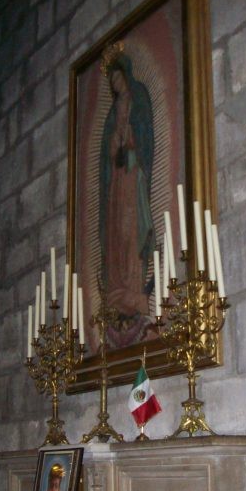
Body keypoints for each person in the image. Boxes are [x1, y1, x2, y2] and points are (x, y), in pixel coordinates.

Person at [98, 51, 155, 347]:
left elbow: (145, 138)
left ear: (126, 75)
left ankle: (134, 287)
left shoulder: (139, 98)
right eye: (112, 80)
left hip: (132, 176)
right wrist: (114, 146)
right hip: (118, 179)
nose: (116, 83)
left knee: (131, 231)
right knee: (118, 234)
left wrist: (129, 143)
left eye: (118, 77)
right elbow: (108, 153)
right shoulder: (112, 112)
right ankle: (119, 287)